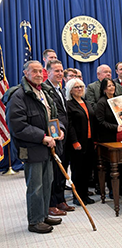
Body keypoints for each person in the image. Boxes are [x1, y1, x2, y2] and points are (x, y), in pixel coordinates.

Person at [5, 60, 63, 233]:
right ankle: (35, 221)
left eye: (40, 71)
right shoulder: (18, 96)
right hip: (31, 148)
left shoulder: (44, 91)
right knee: (35, 186)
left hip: (47, 147)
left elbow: (54, 115)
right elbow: (17, 126)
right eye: (34, 71)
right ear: (26, 73)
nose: (39, 74)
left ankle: (43, 215)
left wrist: (59, 131)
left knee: (47, 183)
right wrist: (43, 137)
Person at [45, 60, 75, 215]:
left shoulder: (61, 90)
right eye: (56, 71)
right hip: (53, 137)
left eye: (61, 70)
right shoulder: (45, 90)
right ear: (48, 72)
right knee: (53, 173)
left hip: (64, 136)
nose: (60, 74)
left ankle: (60, 200)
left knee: (62, 171)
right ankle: (51, 204)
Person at [94, 78, 122, 197]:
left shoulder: (120, 100)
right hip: (110, 137)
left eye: (113, 85)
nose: (112, 88)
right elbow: (100, 122)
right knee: (112, 165)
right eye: (109, 86)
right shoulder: (101, 102)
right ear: (104, 88)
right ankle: (112, 189)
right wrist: (115, 127)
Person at [66, 78, 96, 206]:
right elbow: (70, 126)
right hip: (77, 143)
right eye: (76, 87)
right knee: (78, 171)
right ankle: (77, 197)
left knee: (87, 170)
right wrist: (74, 142)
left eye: (81, 87)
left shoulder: (86, 102)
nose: (79, 89)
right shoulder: (68, 104)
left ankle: (85, 195)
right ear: (70, 90)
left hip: (89, 141)